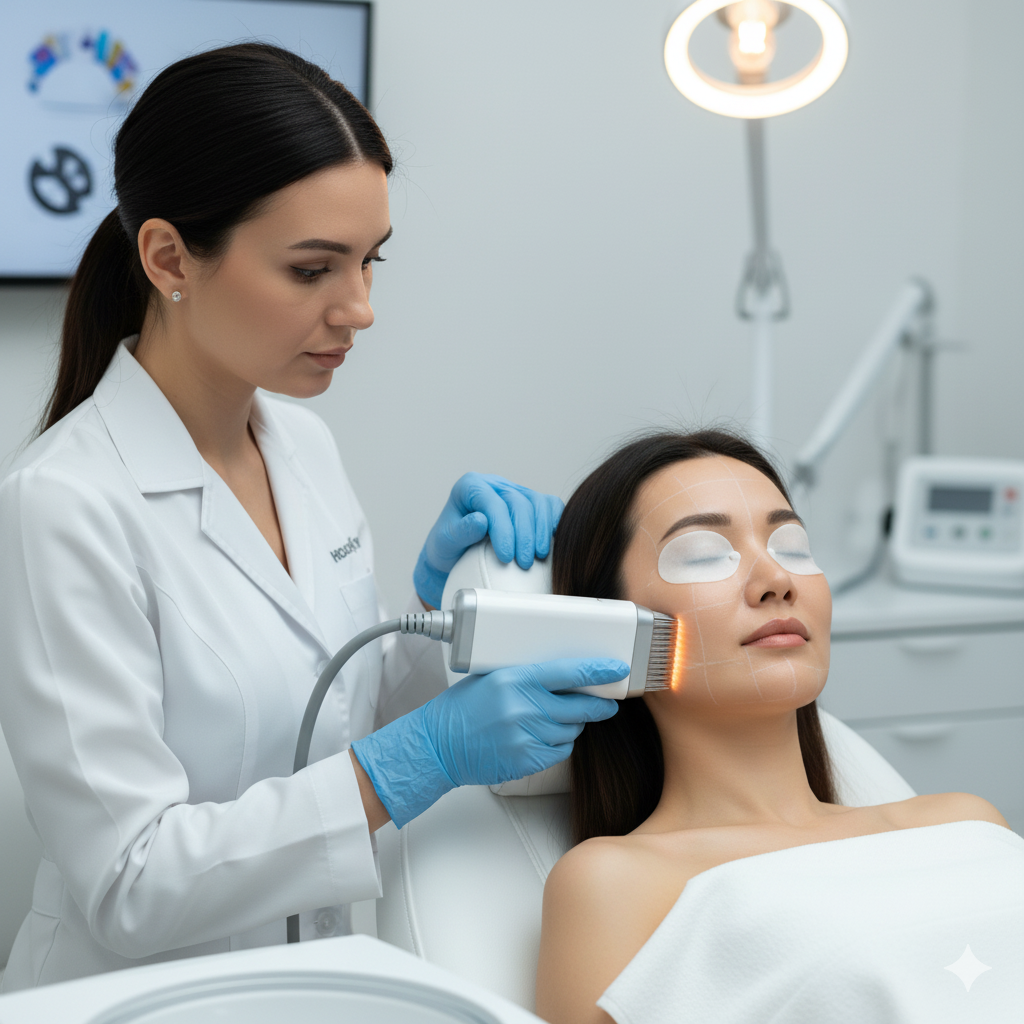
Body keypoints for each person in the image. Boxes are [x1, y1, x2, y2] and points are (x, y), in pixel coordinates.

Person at [0, 43, 625, 991]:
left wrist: (442, 610)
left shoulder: (299, 445)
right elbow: (129, 884)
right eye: (312, 270)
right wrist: (414, 761)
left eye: (369, 262)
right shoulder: (65, 503)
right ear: (170, 256)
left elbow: (338, 713)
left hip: (319, 973)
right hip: (137, 997)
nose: (360, 309)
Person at [535, 429, 1023, 1024]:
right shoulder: (615, 882)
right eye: (705, 554)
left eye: (792, 546)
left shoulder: (965, 824)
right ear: (618, 628)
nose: (777, 579)